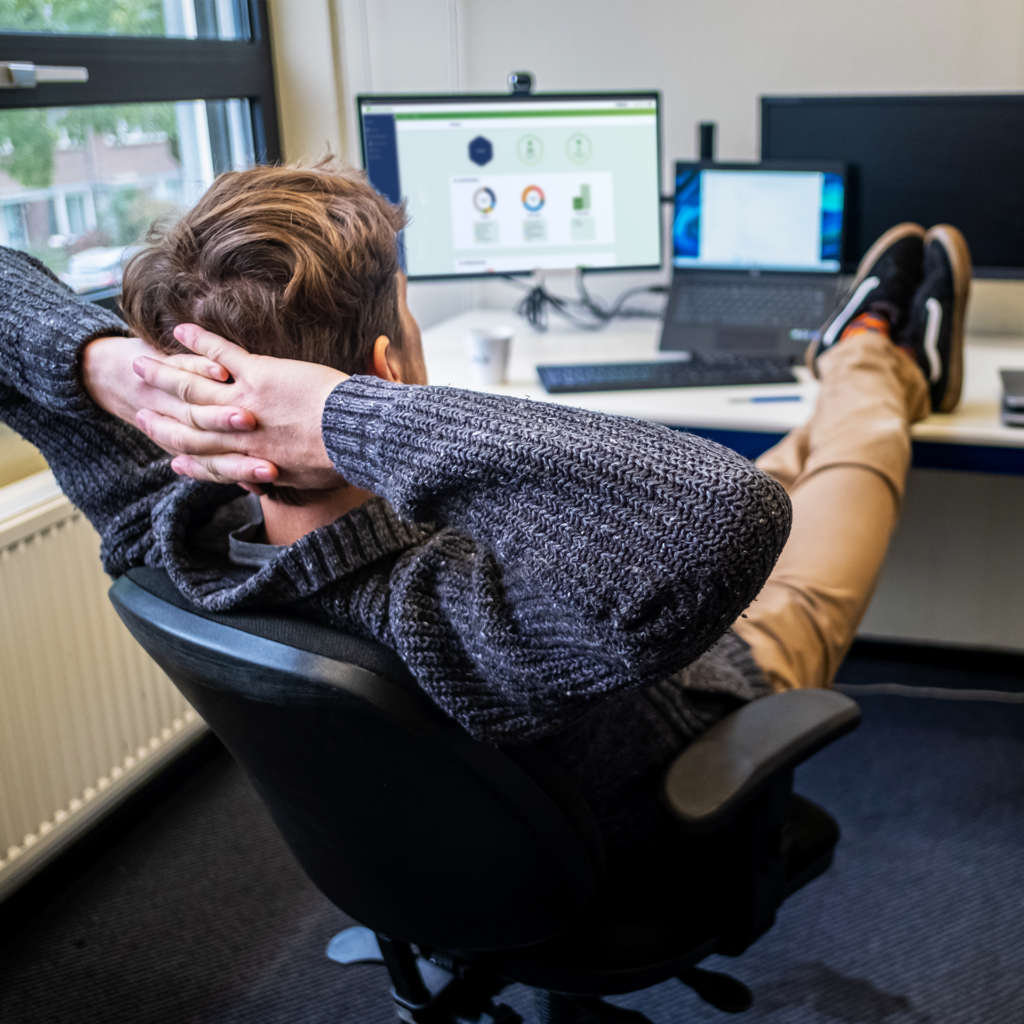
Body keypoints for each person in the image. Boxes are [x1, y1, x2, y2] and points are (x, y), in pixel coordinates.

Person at [0, 158, 969, 851]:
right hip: (707, 693)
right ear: (389, 371)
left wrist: (101, 362)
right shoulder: (459, 624)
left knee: (796, 451)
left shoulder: (161, 527)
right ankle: (877, 355)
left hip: (520, 746)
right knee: (854, 459)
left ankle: (855, 359)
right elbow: (725, 512)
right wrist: (343, 414)